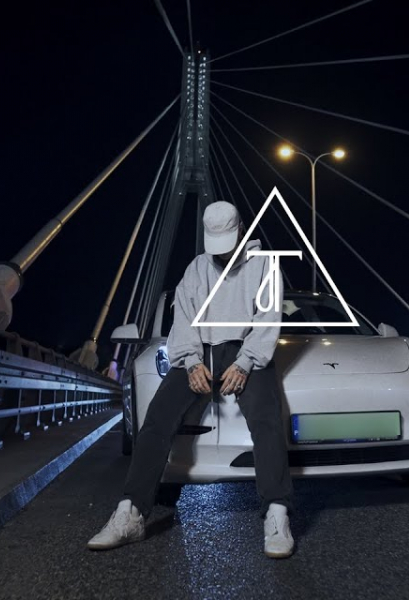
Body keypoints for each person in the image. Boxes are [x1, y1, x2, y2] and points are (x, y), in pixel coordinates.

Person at [88, 201, 294, 558]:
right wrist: (192, 361)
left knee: (266, 420)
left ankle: (277, 513)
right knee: (157, 420)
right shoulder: (197, 267)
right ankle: (131, 513)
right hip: (200, 351)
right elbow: (183, 319)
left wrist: (245, 363)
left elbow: (268, 318)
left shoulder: (265, 266)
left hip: (243, 347)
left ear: (241, 230)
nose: (222, 253)